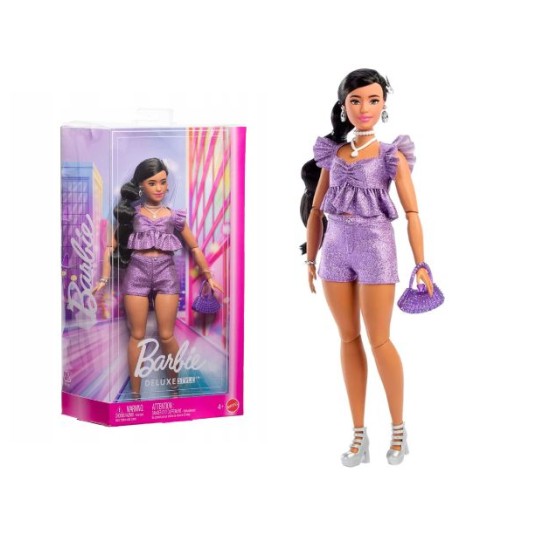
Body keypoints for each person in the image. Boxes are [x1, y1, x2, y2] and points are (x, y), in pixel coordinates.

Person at [305, 68, 434, 466]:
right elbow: (316, 209)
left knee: (380, 340)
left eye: (373, 100)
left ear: (384, 105)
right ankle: (359, 434)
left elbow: (412, 212)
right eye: (356, 100)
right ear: (343, 105)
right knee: (348, 338)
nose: (364, 108)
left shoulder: (391, 154)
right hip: (334, 251)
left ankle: (398, 429)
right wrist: (311, 257)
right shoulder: (333, 154)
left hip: (376, 248)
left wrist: (421, 263)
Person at [94, 157, 222, 399]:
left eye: (163, 182)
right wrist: (103, 278)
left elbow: (194, 247)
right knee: (137, 335)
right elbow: (111, 246)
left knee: (166, 334)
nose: (159, 188)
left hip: (166, 273)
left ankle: (175, 388)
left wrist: (208, 275)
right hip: (137, 273)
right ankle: (135, 393)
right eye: (152, 183)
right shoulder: (130, 215)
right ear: (141, 186)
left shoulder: (174, 216)